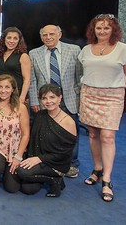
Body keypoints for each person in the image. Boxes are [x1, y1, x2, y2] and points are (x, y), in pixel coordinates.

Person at [78, 14, 126, 202]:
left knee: (108, 136)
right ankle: (97, 169)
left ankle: (107, 180)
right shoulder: (86, 50)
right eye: (99, 28)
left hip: (112, 97)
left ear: (113, 30)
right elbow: (84, 72)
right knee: (93, 134)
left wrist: (113, 90)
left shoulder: (123, 49)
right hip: (89, 94)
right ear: (93, 30)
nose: (102, 31)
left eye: (106, 28)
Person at [28, 24, 83, 178]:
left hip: (68, 101)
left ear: (59, 34)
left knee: (71, 134)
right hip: (45, 101)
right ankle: (46, 161)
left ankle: (71, 164)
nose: (48, 37)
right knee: (43, 133)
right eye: (45, 35)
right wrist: (34, 101)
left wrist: (77, 95)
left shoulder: (74, 50)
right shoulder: (34, 53)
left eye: (52, 34)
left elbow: (80, 77)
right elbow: (33, 80)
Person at [17, 84, 77, 198]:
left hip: (56, 164)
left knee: (22, 172)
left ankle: (55, 180)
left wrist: (39, 159)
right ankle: (50, 179)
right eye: (44, 98)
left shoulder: (68, 122)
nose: (48, 101)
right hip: (38, 158)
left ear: (60, 98)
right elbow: (33, 139)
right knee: (27, 189)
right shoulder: (40, 115)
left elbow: (65, 154)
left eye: (52, 97)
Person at [0, 27, 31, 105]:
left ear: (19, 41)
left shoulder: (23, 56)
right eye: (9, 38)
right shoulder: (0, 55)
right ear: (4, 39)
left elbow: (27, 79)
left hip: (17, 95)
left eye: (15, 38)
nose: (12, 41)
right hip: (2, 94)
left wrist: (22, 97)